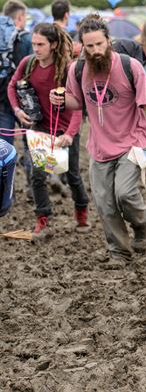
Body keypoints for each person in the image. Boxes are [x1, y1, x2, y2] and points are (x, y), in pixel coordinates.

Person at [59, 14, 146, 265]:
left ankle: (141, 223)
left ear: (109, 40)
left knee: (125, 193)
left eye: (99, 44)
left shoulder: (130, 66)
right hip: (99, 146)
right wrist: (62, 100)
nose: (95, 50)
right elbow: (77, 102)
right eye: (89, 46)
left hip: (132, 142)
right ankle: (119, 252)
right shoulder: (76, 69)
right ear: (82, 46)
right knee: (105, 204)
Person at [7, 22, 90, 240]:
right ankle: (42, 220)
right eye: (34, 44)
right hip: (41, 128)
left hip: (65, 129)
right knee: (37, 175)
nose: (35, 48)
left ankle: (81, 212)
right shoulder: (28, 64)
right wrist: (17, 110)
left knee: (71, 175)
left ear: (53, 44)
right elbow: (12, 86)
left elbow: (78, 107)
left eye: (40, 44)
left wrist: (69, 135)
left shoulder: (67, 69)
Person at [0, 0, 32, 146]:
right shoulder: (27, 39)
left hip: (2, 95)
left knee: (4, 145)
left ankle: (5, 168)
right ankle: (30, 167)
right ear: (20, 17)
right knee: (32, 142)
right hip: (24, 97)